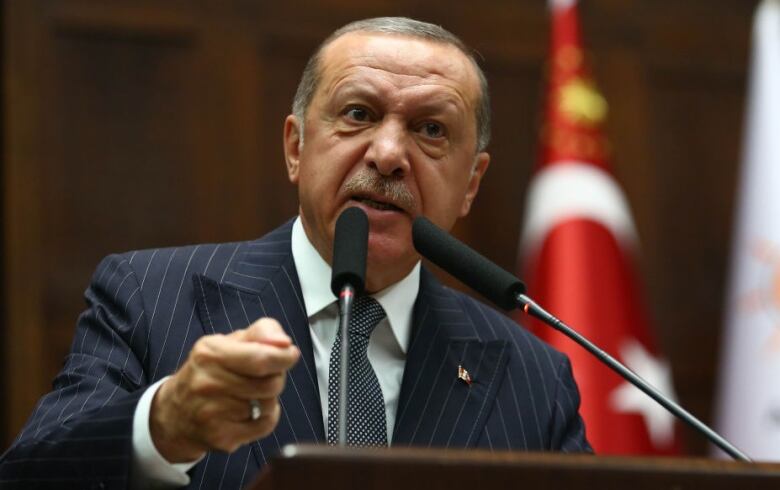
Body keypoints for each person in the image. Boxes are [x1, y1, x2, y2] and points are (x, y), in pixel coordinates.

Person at [0, 17, 591, 489]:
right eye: (358, 114)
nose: (388, 154)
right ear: (295, 148)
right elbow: (31, 474)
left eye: (431, 129)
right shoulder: (150, 297)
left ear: (471, 184)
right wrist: (163, 428)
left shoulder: (533, 374)